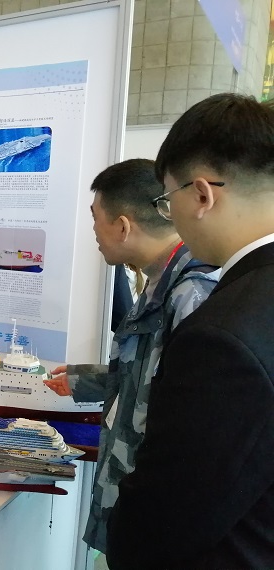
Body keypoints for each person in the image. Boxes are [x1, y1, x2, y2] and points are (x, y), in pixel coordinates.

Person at [107, 94, 274, 569]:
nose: (171, 217)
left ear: (202, 195)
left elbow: (166, 514)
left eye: (167, 200)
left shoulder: (222, 336)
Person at [43, 159, 219, 558]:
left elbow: (194, 427)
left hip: (158, 520)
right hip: (133, 506)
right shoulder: (163, 283)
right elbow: (148, 373)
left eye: (95, 219)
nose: (93, 231)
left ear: (122, 226)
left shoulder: (192, 296)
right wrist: (81, 378)